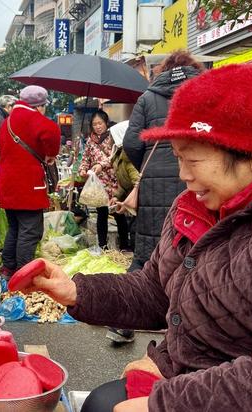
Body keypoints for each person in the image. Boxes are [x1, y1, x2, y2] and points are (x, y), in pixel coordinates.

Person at [19, 64, 252, 411]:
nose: (183, 177)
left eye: (193, 160)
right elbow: (156, 291)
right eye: (178, 158)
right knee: (99, 404)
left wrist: (163, 403)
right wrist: (77, 291)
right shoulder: (194, 205)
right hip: (183, 375)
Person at [122, 51, 205, 272]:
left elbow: (131, 141)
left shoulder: (147, 98)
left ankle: (146, 293)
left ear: (163, 71)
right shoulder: (204, 92)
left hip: (153, 179)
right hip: (196, 175)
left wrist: (149, 164)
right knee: (189, 236)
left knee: (152, 241)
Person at [0, 85, 60, 279]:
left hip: (7, 185)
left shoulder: (7, 121)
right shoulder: (34, 118)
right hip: (27, 186)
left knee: (14, 228)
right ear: (40, 106)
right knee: (30, 231)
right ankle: (24, 275)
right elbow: (53, 132)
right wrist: (50, 154)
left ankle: (8, 268)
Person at [79, 110, 129, 250]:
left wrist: (102, 165)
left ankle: (125, 245)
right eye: (94, 124)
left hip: (114, 181)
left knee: (118, 212)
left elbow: (116, 155)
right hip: (100, 184)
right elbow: (86, 159)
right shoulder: (90, 141)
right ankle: (102, 246)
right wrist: (83, 170)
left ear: (106, 122)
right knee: (102, 214)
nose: (97, 126)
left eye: (100, 123)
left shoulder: (113, 136)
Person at [109, 120, 139, 251]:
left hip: (137, 200)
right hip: (128, 195)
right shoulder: (118, 154)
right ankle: (125, 247)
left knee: (135, 229)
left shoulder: (128, 157)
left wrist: (129, 201)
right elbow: (123, 183)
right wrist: (116, 196)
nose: (109, 139)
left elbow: (137, 182)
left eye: (111, 135)